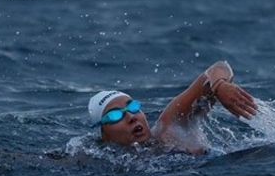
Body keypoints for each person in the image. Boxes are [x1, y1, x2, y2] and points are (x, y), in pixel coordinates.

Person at [88, 60, 258, 154]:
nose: (131, 117)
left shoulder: (170, 127)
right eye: (115, 115)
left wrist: (219, 85)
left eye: (132, 107)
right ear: (104, 135)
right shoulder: (101, 160)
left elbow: (218, 68)